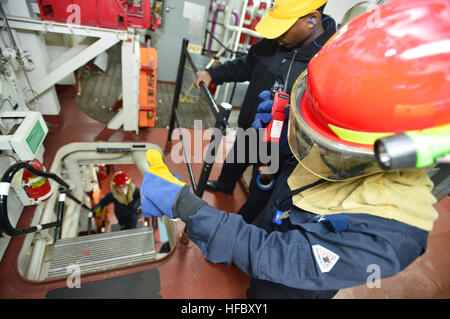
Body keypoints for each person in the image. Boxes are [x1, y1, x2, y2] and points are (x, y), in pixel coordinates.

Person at [142, 0, 449, 299]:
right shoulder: (343, 148)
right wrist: (289, 120)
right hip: (279, 210)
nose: (313, 143)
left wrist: (185, 206)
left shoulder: (389, 234)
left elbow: (273, 256)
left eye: (322, 135)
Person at [194, 0, 336, 223]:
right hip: (250, 127)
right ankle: (224, 185)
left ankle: (240, 227)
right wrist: (213, 74)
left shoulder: (331, 59)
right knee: (234, 162)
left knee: (259, 194)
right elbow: (247, 65)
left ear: (312, 19)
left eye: (283, 27)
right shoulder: (275, 43)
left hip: (279, 148)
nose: (277, 34)